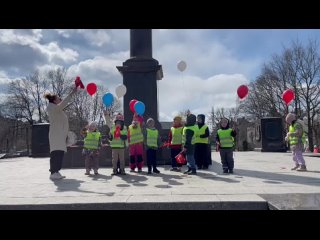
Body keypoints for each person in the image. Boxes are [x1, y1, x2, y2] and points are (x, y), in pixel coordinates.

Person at [44, 86, 78, 180]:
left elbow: (62, 106)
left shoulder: (56, 109)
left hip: (59, 135)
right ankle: (53, 172)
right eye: (59, 98)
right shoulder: (52, 108)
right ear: (54, 100)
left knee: (59, 153)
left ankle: (56, 172)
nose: (60, 99)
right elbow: (63, 104)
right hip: (56, 135)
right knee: (56, 153)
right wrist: (72, 93)